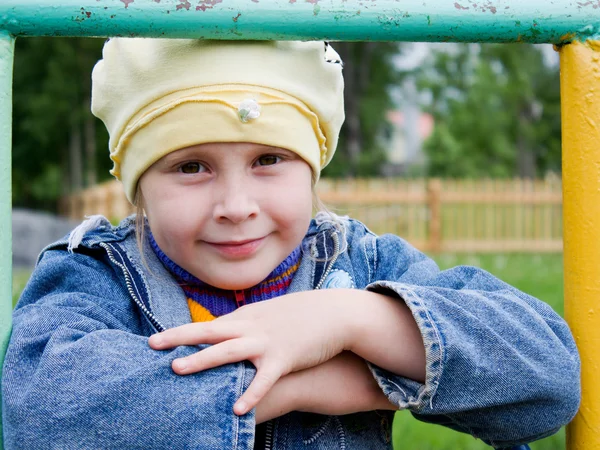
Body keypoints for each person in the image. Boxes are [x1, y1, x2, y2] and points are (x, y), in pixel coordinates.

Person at [2, 38, 579, 450]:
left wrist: (350, 319)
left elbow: (549, 380)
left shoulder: (358, 265)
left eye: (269, 160)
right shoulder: (99, 273)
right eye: (191, 166)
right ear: (139, 188)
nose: (236, 204)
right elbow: (40, 415)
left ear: (312, 172)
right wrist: (314, 384)